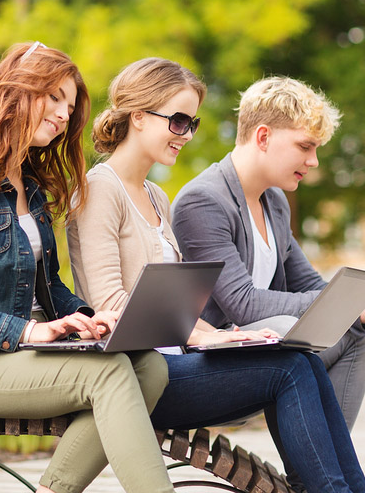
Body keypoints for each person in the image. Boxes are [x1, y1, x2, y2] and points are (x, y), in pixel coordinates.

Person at [67, 57, 365, 493]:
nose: (186, 135)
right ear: (137, 117)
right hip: (138, 376)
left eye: (192, 122)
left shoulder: (155, 197)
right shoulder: (98, 191)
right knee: (291, 364)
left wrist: (213, 333)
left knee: (297, 357)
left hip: (176, 362)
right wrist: (202, 333)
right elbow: (110, 304)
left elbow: (176, 303)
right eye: (179, 121)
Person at [0, 42, 178, 493]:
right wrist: (28, 332)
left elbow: (48, 285)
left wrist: (93, 319)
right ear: (13, 91)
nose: (62, 113)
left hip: (30, 352)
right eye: (53, 97)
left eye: (69, 106)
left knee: (151, 367)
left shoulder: (31, 187)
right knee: (107, 374)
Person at [171, 76, 365, 430]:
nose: (315, 161)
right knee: (291, 330)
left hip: (263, 349)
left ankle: (316, 474)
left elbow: (308, 282)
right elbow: (243, 305)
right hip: (210, 365)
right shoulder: (203, 200)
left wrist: (355, 306)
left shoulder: (274, 201)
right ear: (263, 137)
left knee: (357, 332)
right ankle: (314, 476)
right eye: (305, 147)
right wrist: (343, 305)